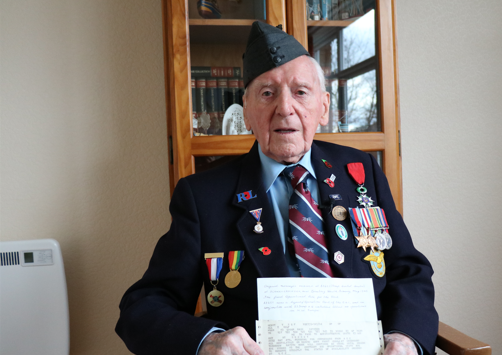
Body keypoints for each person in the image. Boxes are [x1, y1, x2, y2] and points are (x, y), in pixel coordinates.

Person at [116, 21, 438, 355]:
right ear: (247, 113)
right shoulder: (202, 196)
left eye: (300, 92)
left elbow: (409, 271)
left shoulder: (361, 170)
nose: (285, 108)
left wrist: (405, 338)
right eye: (268, 93)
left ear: (323, 107)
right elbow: (142, 308)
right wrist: (207, 340)